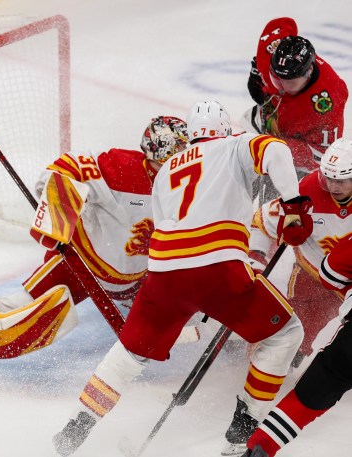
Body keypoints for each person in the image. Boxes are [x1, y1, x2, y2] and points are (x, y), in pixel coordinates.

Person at [52, 101, 311, 457]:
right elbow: (275, 149)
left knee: (129, 354)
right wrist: (294, 205)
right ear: (223, 129)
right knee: (286, 333)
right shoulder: (233, 145)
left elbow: (169, 227)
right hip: (219, 269)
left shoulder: (167, 169)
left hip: (163, 274)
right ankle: (244, 429)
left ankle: (77, 427)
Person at [0, 116, 195, 375]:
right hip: (81, 265)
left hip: (139, 280)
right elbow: (65, 169)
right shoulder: (121, 169)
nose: (183, 161)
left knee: (192, 310)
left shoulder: (191, 183)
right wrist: (57, 215)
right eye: (176, 154)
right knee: (30, 323)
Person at [242, 214, 352, 457]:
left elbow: (331, 273)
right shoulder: (311, 188)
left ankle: (260, 445)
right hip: (307, 284)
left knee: (311, 393)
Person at [250, 137, 352, 367]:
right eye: (329, 179)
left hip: (349, 281)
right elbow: (261, 221)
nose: (333, 187)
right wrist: (255, 257)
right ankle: (267, 367)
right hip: (313, 277)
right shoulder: (307, 191)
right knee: (292, 335)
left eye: (341, 180)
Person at [243, 17, 348, 202]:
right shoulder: (269, 51)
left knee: (274, 208)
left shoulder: (327, 104)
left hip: (296, 151)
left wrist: (277, 148)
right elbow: (284, 23)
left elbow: (320, 156)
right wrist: (259, 80)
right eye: (276, 78)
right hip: (269, 127)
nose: (280, 86)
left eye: (289, 82)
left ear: (307, 73)